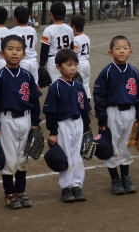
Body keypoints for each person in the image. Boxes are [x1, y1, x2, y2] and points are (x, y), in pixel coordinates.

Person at [0, 35, 42, 209]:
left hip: (25, 119)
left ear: (24, 54)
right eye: (10, 49)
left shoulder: (27, 75)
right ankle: (9, 193)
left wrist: (35, 123)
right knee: (10, 160)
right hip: (7, 120)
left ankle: (21, 191)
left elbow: (34, 100)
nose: (14, 52)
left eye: (18, 49)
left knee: (23, 158)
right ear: (2, 53)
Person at [94, 36, 139, 195]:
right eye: (117, 48)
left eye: (125, 48)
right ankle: (115, 179)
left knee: (126, 144)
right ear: (110, 52)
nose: (121, 51)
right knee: (112, 145)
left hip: (130, 112)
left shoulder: (135, 72)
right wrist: (102, 118)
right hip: (112, 112)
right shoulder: (107, 72)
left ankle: (125, 177)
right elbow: (99, 95)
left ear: (130, 52)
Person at [43, 48, 91, 203]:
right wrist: (53, 132)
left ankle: (77, 185)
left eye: (75, 65)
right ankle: (66, 188)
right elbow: (50, 112)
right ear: (58, 67)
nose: (73, 68)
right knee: (66, 157)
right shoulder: (55, 87)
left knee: (78, 156)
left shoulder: (78, 86)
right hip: (62, 124)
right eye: (69, 65)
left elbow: (84, 109)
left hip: (78, 123)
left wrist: (87, 129)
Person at [40, 2, 74, 84]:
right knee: (67, 82)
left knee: (55, 85)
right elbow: (72, 47)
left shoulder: (48, 30)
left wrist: (42, 65)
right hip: (67, 58)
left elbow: (45, 49)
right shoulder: (69, 29)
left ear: (51, 14)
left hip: (53, 60)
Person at [9, 6, 39, 83]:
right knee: (33, 86)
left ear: (15, 19)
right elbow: (35, 43)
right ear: (28, 17)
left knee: (21, 86)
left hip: (21, 61)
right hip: (33, 61)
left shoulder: (11, 31)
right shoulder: (32, 30)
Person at [71, 15, 91, 100]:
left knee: (77, 85)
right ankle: (88, 104)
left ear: (73, 27)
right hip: (86, 63)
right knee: (86, 85)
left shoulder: (75, 40)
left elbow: (73, 54)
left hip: (79, 64)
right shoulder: (87, 37)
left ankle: (80, 103)